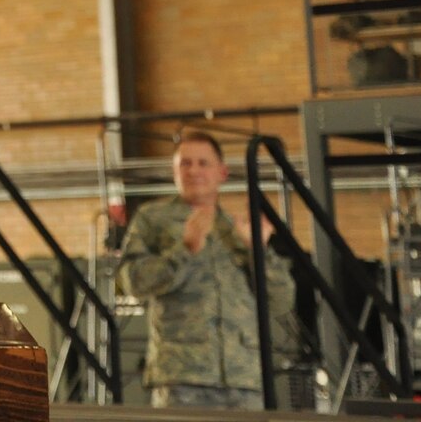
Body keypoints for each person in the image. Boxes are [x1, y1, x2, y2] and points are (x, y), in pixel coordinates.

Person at [117, 130, 294, 409]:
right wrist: (184, 250)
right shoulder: (153, 219)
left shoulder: (238, 230)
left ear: (222, 173)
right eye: (185, 164)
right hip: (183, 377)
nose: (194, 170)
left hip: (244, 379)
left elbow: (281, 300)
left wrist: (258, 252)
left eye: (203, 163)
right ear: (174, 172)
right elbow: (133, 282)